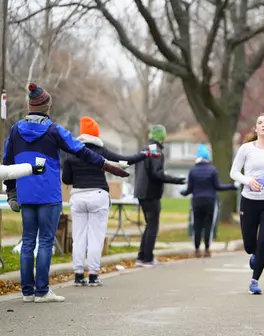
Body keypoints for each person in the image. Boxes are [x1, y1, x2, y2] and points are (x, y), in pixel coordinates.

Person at [3, 83, 129, 303]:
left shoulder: (15, 130)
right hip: (49, 194)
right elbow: (81, 151)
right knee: (45, 242)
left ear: (29, 105)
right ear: (47, 107)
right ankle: (42, 291)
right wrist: (106, 165)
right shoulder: (54, 130)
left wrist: (12, 192)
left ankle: (27, 292)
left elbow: (7, 162)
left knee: (28, 240)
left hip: (26, 192)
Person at [62, 116, 158, 286]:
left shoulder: (72, 152)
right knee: (95, 238)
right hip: (98, 195)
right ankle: (93, 275)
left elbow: (67, 178)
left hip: (78, 196)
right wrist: (144, 155)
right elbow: (125, 160)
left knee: (79, 238)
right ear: (96, 134)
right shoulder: (102, 151)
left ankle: (78, 275)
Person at [229, 113, 264, 295]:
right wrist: (248, 180)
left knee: (263, 242)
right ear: (256, 128)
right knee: (250, 246)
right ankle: (254, 254)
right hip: (249, 202)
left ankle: (255, 280)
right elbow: (234, 172)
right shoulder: (246, 149)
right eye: (260, 122)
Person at [134, 125, 186, 268]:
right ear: (162, 137)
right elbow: (157, 173)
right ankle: (148, 258)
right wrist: (176, 180)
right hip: (151, 193)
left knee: (148, 225)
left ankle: (141, 256)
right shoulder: (155, 151)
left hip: (141, 191)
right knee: (153, 226)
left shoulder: (144, 149)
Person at [181, 144, 236, 258]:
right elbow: (218, 187)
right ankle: (206, 248)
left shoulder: (193, 171)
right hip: (210, 201)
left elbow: (189, 189)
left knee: (196, 224)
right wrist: (231, 186)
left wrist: (183, 192)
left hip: (196, 201)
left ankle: (196, 249)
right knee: (208, 225)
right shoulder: (213, 170)